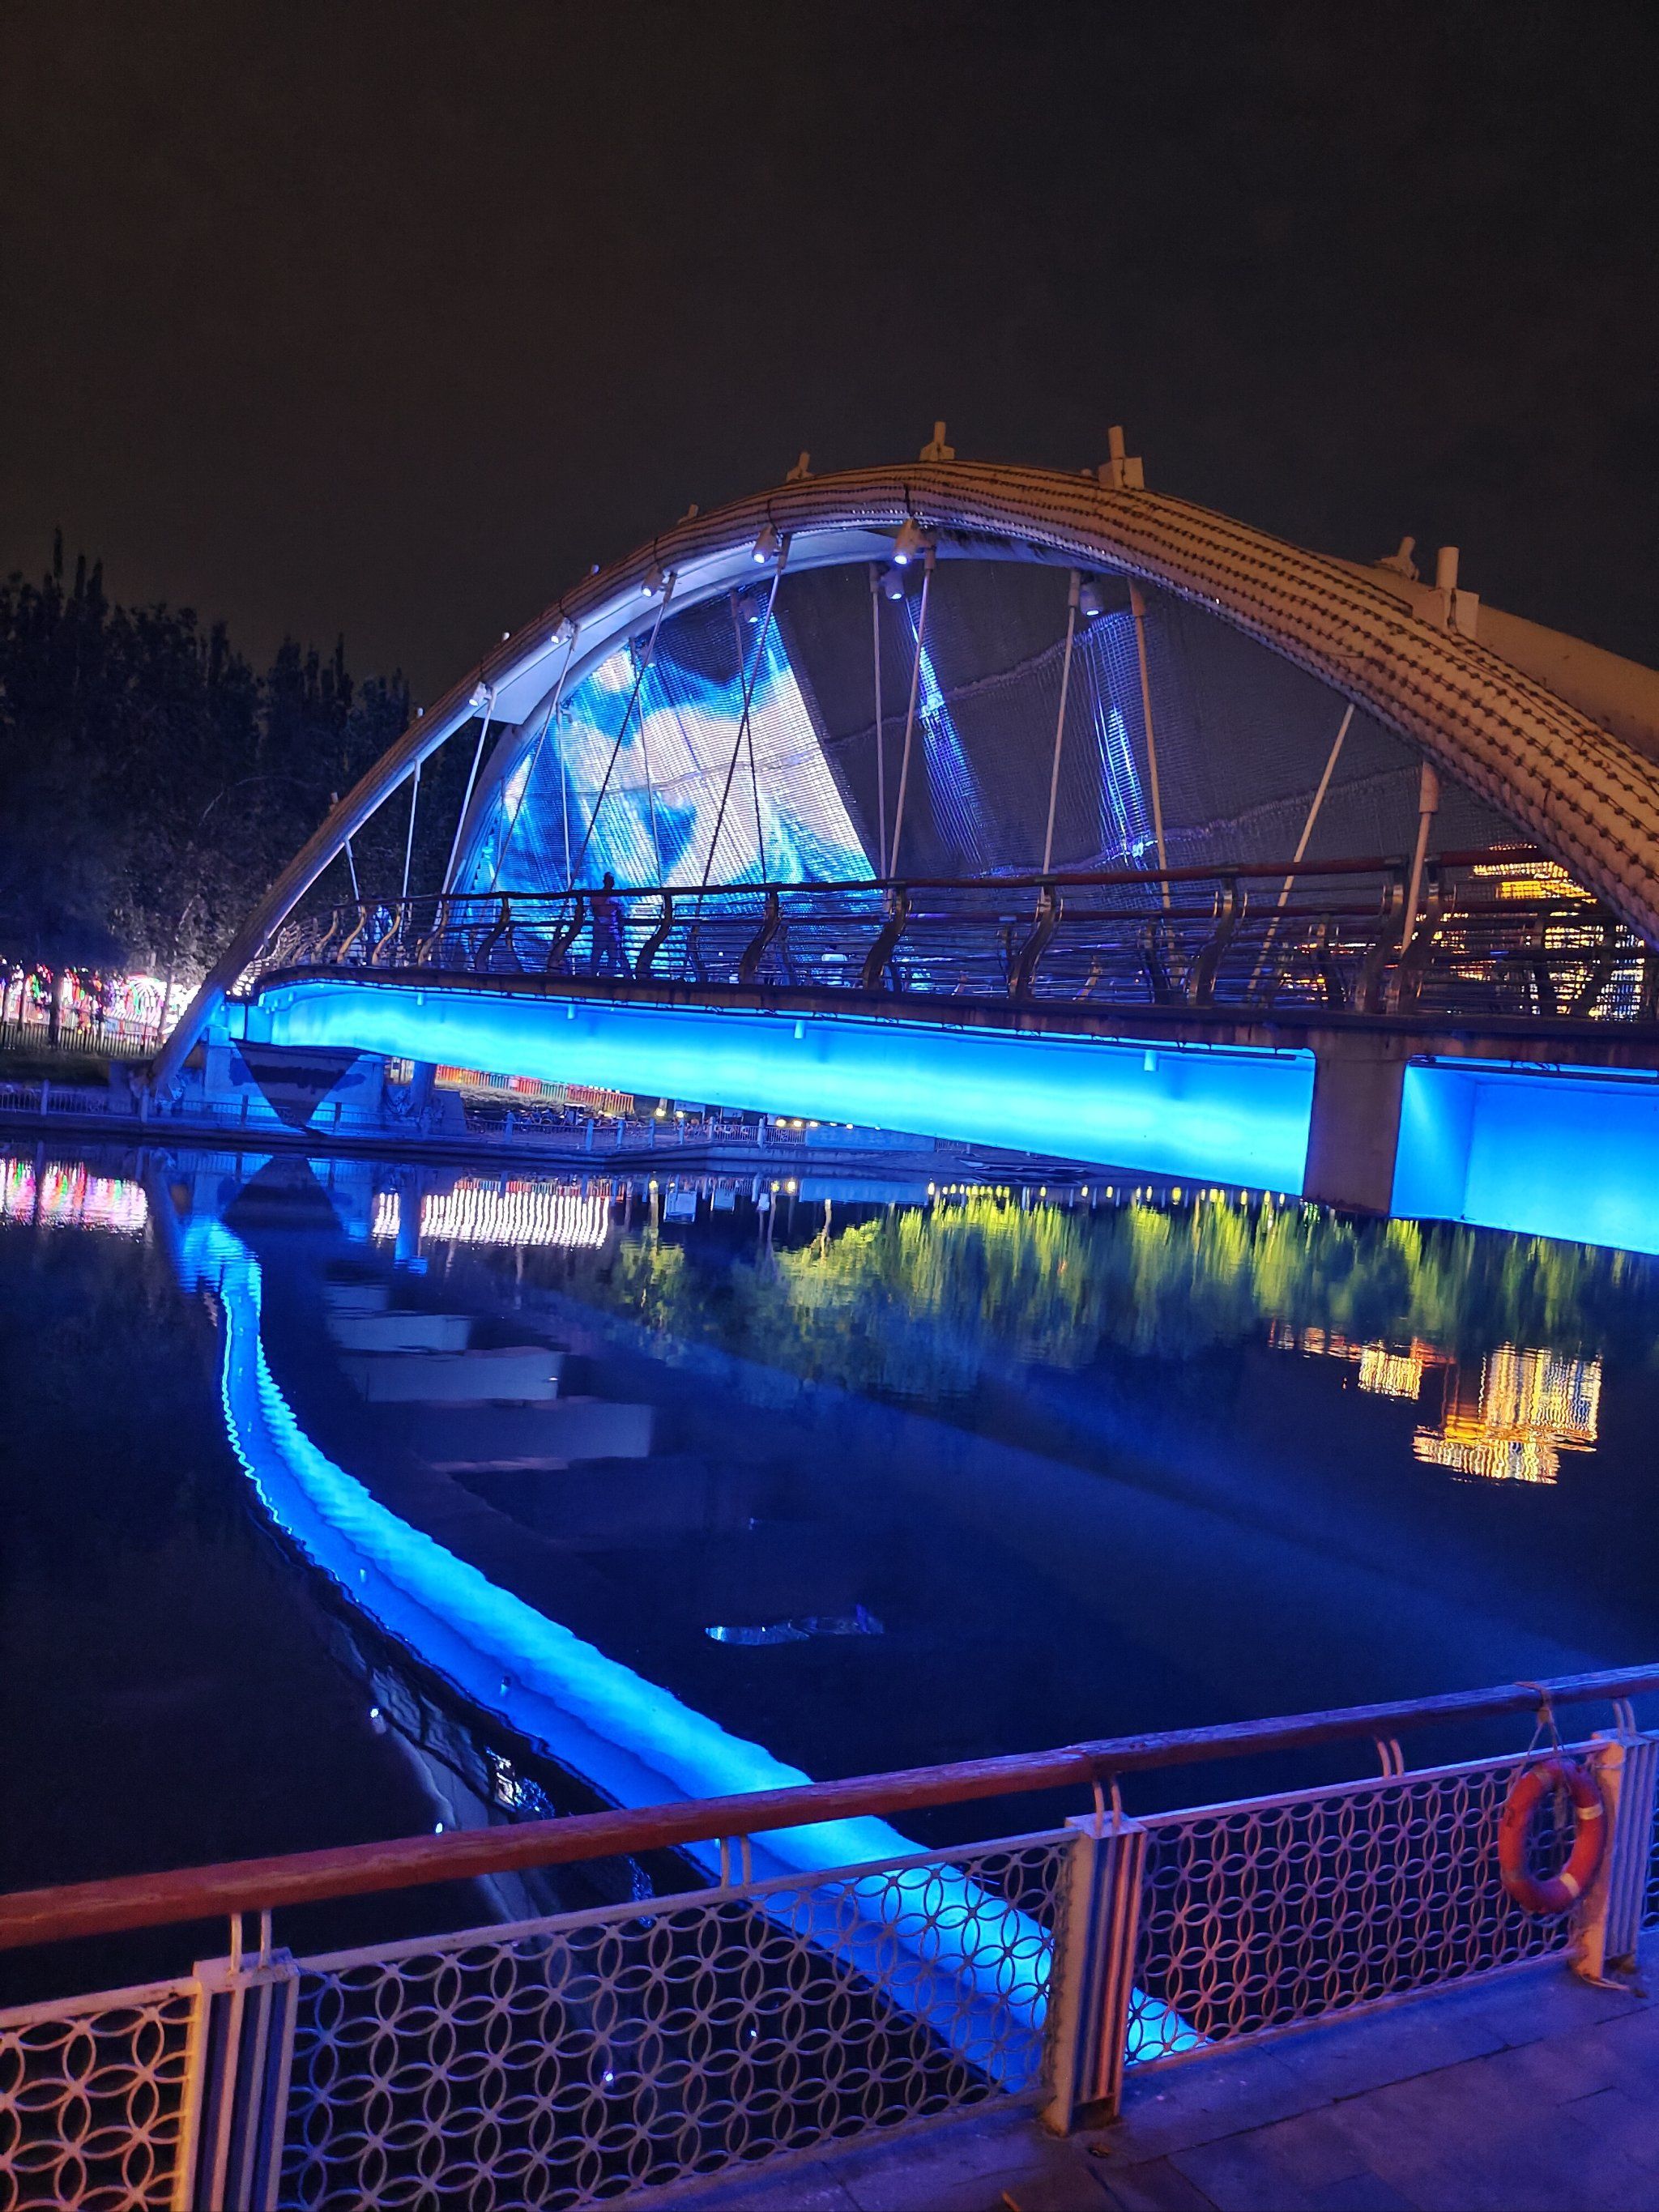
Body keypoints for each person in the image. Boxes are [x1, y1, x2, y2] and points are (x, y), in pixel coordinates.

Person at [589, 872, 632, 978]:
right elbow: (594, 911)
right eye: (609, 880)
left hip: (613, 931)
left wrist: (620, 928)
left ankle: (610, 977)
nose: (611, 883)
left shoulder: (616, 897)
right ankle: (593, 977)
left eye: (612, 881)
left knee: (615, 956)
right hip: (601, 932)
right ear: (604, 881)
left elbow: (620, 914)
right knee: (597, 955)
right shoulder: (596, 896)